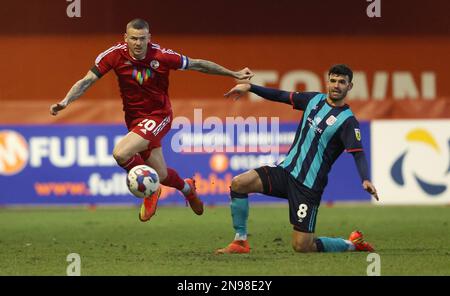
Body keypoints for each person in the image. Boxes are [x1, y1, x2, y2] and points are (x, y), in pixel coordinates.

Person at [50, 18, 253, 222]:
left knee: (121, 154)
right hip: (134, 120)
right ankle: (187, 188)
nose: (138, 43)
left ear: (149, 38)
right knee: (162, 174)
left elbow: (198, 65)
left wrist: (233, 73)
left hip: (159, 116)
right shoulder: (113, 55)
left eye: (142, 39)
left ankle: (150, 191)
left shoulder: (162, 55)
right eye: (133, 39)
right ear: (125, 38)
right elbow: (87, 81)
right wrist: (66, 101)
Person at [216, 64, 378, 254]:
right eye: (333, 80)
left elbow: (358, 153)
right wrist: (251, 87)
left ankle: (352, 244)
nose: (336, 85)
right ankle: (240, 242)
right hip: (285, 172)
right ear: (327, 82)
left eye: (342, 82)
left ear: (349, 87)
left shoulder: (348, 122)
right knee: (239, 183)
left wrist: (365, 178)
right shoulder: (313, 100)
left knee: (302, 246)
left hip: (307, 187)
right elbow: (281, 96)